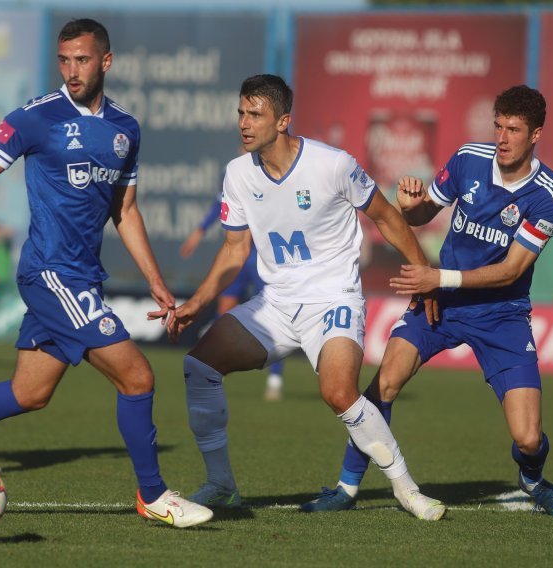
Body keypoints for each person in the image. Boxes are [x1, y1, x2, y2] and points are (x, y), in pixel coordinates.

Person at [0, 19, 212, 528]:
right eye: (64, 60)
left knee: (28, 393)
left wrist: (156, 280)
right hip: (50, 274)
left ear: (106, 61)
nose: (71, 70)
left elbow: (125, 211)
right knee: (138, 375)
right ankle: (153, 496)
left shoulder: (126, 128)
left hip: (84, 275)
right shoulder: (38, 117)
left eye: (82, 60)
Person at [167, 74, 446, 520]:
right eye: (241, 112)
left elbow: (387, 217)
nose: (244, 122)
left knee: (338, 392)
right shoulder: (238, 174)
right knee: (199, 366)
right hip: (274, 304)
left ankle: (406, 489)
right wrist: (197, 303)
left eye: (255, 113)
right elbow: (235, 249)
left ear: (283, 121)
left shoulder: (332, 164)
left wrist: (424, 272)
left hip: (334, 297)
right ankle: (220, 484)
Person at [304, 85, 553, 519]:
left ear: (536, 135)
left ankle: (532, 478)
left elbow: (511, 270)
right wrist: (409, 204)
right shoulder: (468, 159)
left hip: (501, 314)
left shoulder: (550, 195)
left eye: (514, 129)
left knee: (528, 437)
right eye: (498, 126)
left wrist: (437, 275)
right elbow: (420, 214)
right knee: (384, 385)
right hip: (441, 303)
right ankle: (345, 487)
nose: (502, 138)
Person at [180, 192, 285, 401]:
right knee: (223, 312)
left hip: (262, 256)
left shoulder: (272, 170)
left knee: (276, 318)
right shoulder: (235, 172)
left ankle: (275, 381)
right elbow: (218, 207)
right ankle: (215, 371)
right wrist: (199, 232)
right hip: (237, 255)